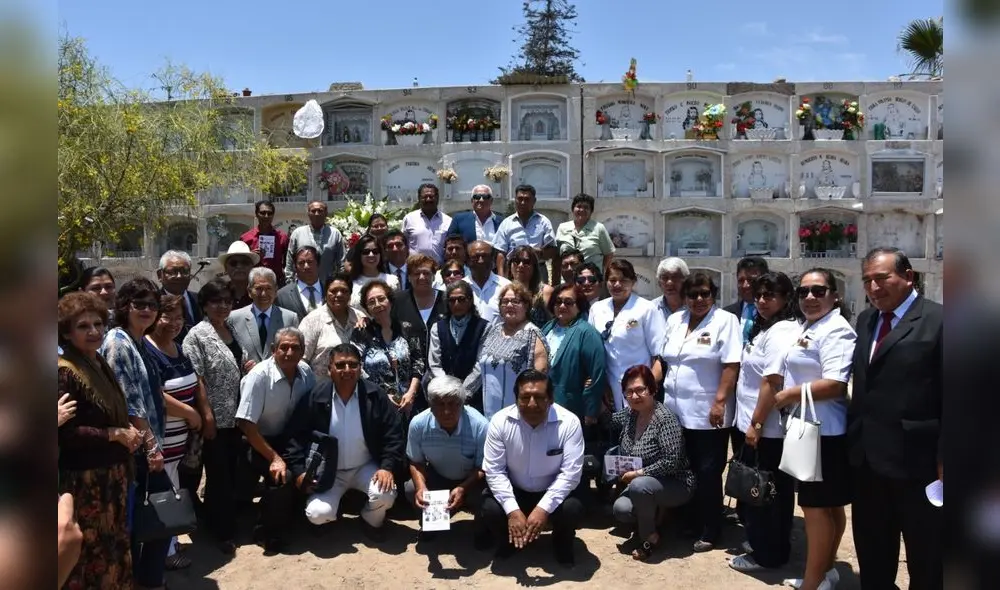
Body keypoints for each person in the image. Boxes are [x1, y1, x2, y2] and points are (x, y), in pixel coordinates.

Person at [849, 247, 943, 590]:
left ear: (908, 276)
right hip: (868, 461)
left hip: (919, 463)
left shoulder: (939, 320)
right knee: (873, 553)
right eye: (867, 281)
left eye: (881, 278)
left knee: (927, 555)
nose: (873, 288)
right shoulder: (866, 320)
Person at [769, 269, 856, 590]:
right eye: (804, 291)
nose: (809, 297)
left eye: (819, 291)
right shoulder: (812, 326)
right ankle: (826, 572)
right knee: (828, 507)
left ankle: (811, 582)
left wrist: (790, 395)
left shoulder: (837, 330)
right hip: (811, 428)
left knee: (815, 509)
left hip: (824, 432)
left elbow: (835, 384)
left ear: (835, 296)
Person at [58, 292, 141, 589]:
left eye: (97, 324)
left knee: (114, 547)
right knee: (89, 555)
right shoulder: (64, 372)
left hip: (112, 475)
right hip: (86, 481)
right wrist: (113, 434)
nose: (93, 331)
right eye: (82, 326)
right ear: (66, 332)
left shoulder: (97, 363)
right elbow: (65, 434)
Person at [284, 344, 403, 541]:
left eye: (352, 365)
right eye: (340, 365)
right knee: (317, 514)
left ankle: (370, 519)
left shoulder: (375, 395)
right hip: (330, 471)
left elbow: (393, 434)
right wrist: (299, 472)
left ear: (360, 367)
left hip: (366, 466)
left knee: (386, 494)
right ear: (329, 368)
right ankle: (332, 515)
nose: (347, 370)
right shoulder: (316, 396)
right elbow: (295, 436)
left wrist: (387, 467)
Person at [661, 272, 742, 553]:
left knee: (708, 471)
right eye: (692, 294)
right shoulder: (675, 320)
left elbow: (732, 365)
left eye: (704, 294)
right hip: (674, 410)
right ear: (684, 297)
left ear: (713, 295)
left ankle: (711, 528)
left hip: (708, 413)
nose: (698, 300)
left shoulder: (725, 321)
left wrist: (720, 401)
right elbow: (664, 360)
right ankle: (689, 520)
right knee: (684, 468)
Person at [100, 278, 172, 589]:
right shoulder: (118, 342)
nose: (146, 310)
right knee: (145, 520)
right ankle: (142, 581)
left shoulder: (139, 340)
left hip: (144, 446)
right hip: (134, 450)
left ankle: (146, 579)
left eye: (152, 305)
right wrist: (152, 446)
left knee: (153, 518)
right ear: (125, 306)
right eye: (139, 304)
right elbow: (130, 402)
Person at [727, 272, 801, 573]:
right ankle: (768, 544)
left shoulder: (782, 330)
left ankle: (767, 554)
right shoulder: (767, 327)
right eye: (759, 294)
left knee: (766, 492)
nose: (761, 300)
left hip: (767, 429)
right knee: (770, 493)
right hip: (757, 423)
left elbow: (772, 382)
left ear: (785, 298)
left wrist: (756, 425)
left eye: (770, 295)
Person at [480, 369, 585, 566]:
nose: (531, 404)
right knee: (490, 507)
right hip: (516, 489)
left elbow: (570, 474)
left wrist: (544, 508)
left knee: (573, 508)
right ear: (516, 398)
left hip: (552, 491)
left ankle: (561, 543)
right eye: (525, 397)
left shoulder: (569, 423)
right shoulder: (499, 422)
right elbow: (495, 471)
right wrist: (512, 510)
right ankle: (509, 541)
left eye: (539, 397)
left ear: (551, 399)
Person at [144, 294, 209, 570]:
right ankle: (166, 554)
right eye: (167, 316)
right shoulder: (147, 350)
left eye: (179, 317)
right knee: (163, 492)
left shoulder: (177, 346)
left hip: (179, 439)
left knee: (172, 485)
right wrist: (190, 413)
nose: (174, 322)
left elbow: (195, 379)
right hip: (162, 437)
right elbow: (155, 394)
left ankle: (168, 544)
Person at [236, 327, 315, 553]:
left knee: (310, 469)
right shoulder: (259, 376)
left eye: (295, 348)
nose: (289, 352)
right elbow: (246, 424)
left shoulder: (306, 373)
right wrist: (274, 457)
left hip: (291, 439)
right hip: (258, 440)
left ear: (303, 351)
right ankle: (267, 532)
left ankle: (296, 518)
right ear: (273, 350)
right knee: (282, 476)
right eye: (284, 347)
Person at [182, 277, 245, 555]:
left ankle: (218, 518)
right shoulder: (197, 334)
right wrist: (206, 415)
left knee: (231, 472)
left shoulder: (230, 328)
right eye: (216, 301)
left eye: (227, 302)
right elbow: (197, 378)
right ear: (205, 305)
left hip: (236, 416)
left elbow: (235, 363)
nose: (222, 306)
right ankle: (222, 532)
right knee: (217, 476)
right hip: (214, 418)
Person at [610, 365, 695, 561]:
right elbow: (609, 420)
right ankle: (656, 515)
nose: (635, 396)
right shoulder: (630, 414)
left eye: (640, 390)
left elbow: (671, 462)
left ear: (653, 390)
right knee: (621, 509)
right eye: (629, 392)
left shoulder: (665, 419)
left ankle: (649, 537)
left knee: (640, 486)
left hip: (676, 482)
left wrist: (638, 473)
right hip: (646, 485)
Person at [406, 376, 490, 543]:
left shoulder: (479, 425)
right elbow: (416, 462)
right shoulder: (418, 424)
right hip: (439, 476)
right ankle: (435, 523)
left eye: (453, 403)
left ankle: (482, 527)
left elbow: (483, 467)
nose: (446, 411)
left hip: (472, 480)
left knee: (489, 499)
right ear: (430, 405)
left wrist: (463, 488)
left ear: (462, 403)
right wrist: (421, 487)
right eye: (439, 404)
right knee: (410, 488)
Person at [588, 259, 667, 411]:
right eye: (612, 280)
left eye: (623, 280)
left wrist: (648, 388)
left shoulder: (646, 309)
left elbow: (658, 356)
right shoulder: (597, 309)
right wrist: (601, 385)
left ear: (633, 282)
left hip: (639, 390)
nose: (617, 285)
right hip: (607, 388)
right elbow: (593, 351)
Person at [467, 282, 549, 419]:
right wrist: (462, 393)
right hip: (489, 416)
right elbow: (479, 367)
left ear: (526, 305)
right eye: (505, 302)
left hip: (519, 416)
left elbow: (540, 375)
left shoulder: (533, 334)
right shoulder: (494, 330)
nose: (509, 305)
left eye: (515, 301)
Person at [351, 280, 425, 416]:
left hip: (408, 404)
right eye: (371, 302)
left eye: (381, 299)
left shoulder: (407, 328)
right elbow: (356, 367)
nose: (377, 305)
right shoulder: (361, 333)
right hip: (375, 404)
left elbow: (418, 363)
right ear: (366, 308)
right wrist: (383, 395)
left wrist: (411, 393)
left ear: (390, 301)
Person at [540, 283, 606, 425]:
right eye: (558, 301)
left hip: (572, 409)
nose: (562, 306)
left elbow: (596, 374)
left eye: (568, 302)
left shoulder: (587, 333)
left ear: (579, 305)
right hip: (543, 405)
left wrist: (590, 410)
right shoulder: (547, 328)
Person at [427, 281, 490, 412]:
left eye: (461, 299)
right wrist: (448, 391)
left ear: (470, 300)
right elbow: (434, 364)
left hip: (473, 397)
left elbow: (481, 364)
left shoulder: (484, 327)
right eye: (452, 300)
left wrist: (463, 393)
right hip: (443, 396)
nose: (456, 304)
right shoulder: (437, 328)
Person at [227, 267, 298, 370]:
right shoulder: (233, 318)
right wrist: (242, 365)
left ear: (276, 290)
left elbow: (294, 354)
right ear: (249, 291)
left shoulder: (290, 318)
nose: (263, 294)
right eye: (259, 289)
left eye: (268, 288)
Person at [492, 185, 557, 283]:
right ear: (515, 200)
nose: (523, 202)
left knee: (538, 297)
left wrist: (539, 253)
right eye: (520, 199)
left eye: (527, 199)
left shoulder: (543, 222)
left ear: (534, 201)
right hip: (513, 270)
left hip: (538, 270)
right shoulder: (507, 223)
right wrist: (501, 278)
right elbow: (501, 253)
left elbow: (552, 250)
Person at [300, 273, 360, 380]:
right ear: (325, 293)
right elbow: (301, 360)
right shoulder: (312, 321)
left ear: (350, 294)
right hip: (321, 389)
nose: (339, 294)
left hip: (356, 388)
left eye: (344, 291)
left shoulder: (360, 317)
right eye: (333, 291)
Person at [392, 254, 448, 355]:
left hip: (443, 365)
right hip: (409, 365)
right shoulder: (397, 300)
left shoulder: (447, 300)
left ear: (434, 276)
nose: (422, 277)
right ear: (409, 277)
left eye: (426, 273)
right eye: (416, 274)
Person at [283, 200, 345, 284]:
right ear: (308, 213)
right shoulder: (298, 233)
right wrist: (290, 283)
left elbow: (341, 262)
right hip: (302, 286)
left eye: (320, 211)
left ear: (326, 213)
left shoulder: (335, 234)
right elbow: (290, 261)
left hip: (326, 286)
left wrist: (340, 283)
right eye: (313, 211)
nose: (316, 214)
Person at [555, 193, 615, 273]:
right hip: (567, 277)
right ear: (573, 209)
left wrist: (601, 273)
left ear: (591, 211)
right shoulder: (562, 227)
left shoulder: (599, 228)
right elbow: (557, 256)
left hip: (590, 279)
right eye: (579, 206)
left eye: (586, 207)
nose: (582, 210)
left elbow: (608, 254)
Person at [241, 199, 290, 287]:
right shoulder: (246, 238)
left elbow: (289, 262)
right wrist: (251, 256)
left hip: (276, 284)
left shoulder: (282, 237)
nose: (266, 216)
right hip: (253, 284)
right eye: (263, 213)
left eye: (269, 213)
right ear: (256, 214)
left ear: (273, 215)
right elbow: (239, 263)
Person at [156, 250, 201, 341]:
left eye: (184, 271)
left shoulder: (200, 299)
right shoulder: (154, 303)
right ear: (160, 275)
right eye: (173, 272)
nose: (179, 276)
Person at [402, 183, 452, 264]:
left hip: (440, 269)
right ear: (419, 198)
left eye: (431, 197)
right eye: (424, 197)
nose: (428, 199)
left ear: (437, 198)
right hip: (415, 269)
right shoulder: (409, 219)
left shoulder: (448, 221)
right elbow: (403, 244)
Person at [725, 256, 770, 346]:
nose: (745, 286)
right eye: (741, 280)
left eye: (751, 280)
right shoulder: (726, 314)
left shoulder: (775, 314)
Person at [347, 234, 400, 309]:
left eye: (375, 251)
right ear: (359, 255)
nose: (371, 255)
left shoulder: (392, 281)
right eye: (366, 252)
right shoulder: (351, 283)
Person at [506, 245, 554, 328]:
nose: (520, 265)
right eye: (516, 261)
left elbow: (556, 324)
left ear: (534, 267)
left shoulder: (545, 292)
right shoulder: (504, 290)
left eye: (526, 262)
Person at [464, 239, 510, 324]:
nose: (481, 261)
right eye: (476, 257)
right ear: (467, 261)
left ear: (493, 259)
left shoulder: (506, 287)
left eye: (485, 256)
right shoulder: (460, 288)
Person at [277, 246, 324, 321]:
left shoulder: (330, 291)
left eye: (310, 262)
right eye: (301, 263)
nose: (306, 266)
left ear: (318, 264)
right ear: (295, 267)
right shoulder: (281, 296)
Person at [219, 241, 259, 309]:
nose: (239, 266)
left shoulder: (260, 293)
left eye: (245, 262)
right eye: (233, 263)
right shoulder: (218, 293)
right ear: (226, 268)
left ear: (252, 267)